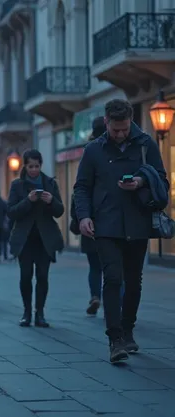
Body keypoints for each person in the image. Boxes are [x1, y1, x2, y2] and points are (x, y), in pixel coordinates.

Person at [74, 99, 168, 363]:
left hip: (137, 223)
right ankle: (114, 339)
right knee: (112, 278)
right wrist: (83, 217)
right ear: (106, 123)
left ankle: (128, 331)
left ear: (130, 121)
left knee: (134, 281)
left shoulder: (146, 144)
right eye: (115, 129)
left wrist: (140, 181)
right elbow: (81, 187)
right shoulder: (93, 150)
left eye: (124, 128)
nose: (120, 134)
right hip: (105, 225)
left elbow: (162, 179)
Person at [7, 149, 64, 327]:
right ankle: (26, 312)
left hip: (44, 239)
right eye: (30, 166)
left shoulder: (49, 183)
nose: (33, 170)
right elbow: (11, 212)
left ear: (41, 165)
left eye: (36, 166)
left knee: (42, 276)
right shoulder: (17, 185)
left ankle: (40, 313)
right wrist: (28, 200)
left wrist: (51, 201)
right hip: (24, 239)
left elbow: (59, 210)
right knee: (25, 276)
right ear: (25, 166)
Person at [71, 117, 106, 316]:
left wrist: (79, 218)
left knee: (94, 266)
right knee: (113, 267)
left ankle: (95, 295)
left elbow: (79, 190)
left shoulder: (88, 151)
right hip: (107, 221)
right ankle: (115, 302)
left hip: (89, 222)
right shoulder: (104, 150)